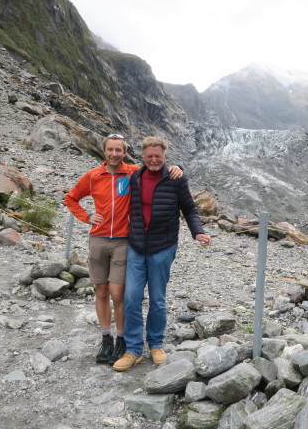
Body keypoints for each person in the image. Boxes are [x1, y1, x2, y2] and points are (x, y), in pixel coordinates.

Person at [64, 134, 183, 365]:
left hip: (122, 241)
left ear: (124, 151)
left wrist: (178, 168)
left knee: (119, 294)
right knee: (101, 292)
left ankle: (123, 340)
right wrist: (87, 217)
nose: (114, 154)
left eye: (119, 150)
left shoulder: (132, 172)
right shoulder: (92, 176)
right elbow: (71, 198)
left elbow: (155, 166)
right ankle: (106, 338)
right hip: (98, 239)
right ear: (104, 151)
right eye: (111, 150)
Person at [113, 136, 211, 372]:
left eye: (158, 156)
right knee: (132, 298)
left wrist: (197, 231)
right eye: (149, 156)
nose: (154, 159)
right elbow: (112, 170)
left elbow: (189, 208)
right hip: (137, 246)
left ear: (165, 156)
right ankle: (134, 349)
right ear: (143, 157)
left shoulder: (176, 178)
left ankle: (156, 344)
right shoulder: (135, 176)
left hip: (163, 248)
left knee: (157, 300)